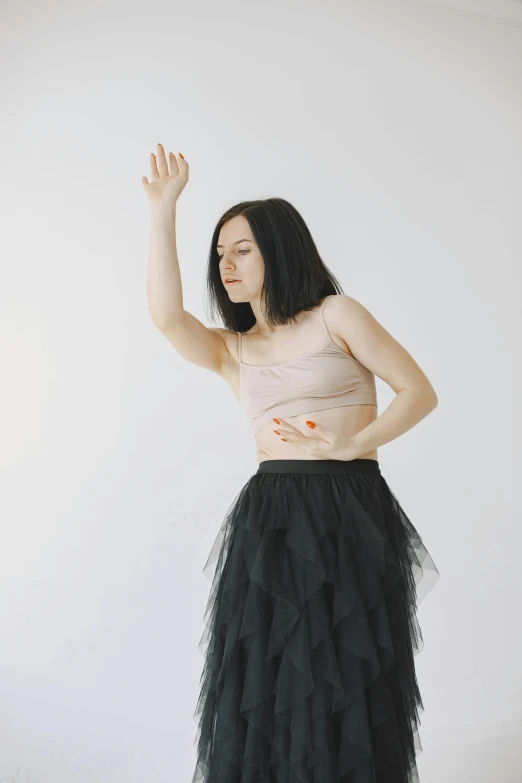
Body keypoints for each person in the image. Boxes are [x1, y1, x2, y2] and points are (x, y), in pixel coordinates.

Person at [143, 144, 440, 783]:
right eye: (220, 254)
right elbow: (167, 318)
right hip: (270, 522)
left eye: (242, 249)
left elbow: (419, 392)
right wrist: (164, 212)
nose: (226, 263)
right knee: (272, 689)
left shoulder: (337, 315)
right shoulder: (235, 349)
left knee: (347, 683)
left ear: (280, 249)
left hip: (349, 512)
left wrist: (349, 446)